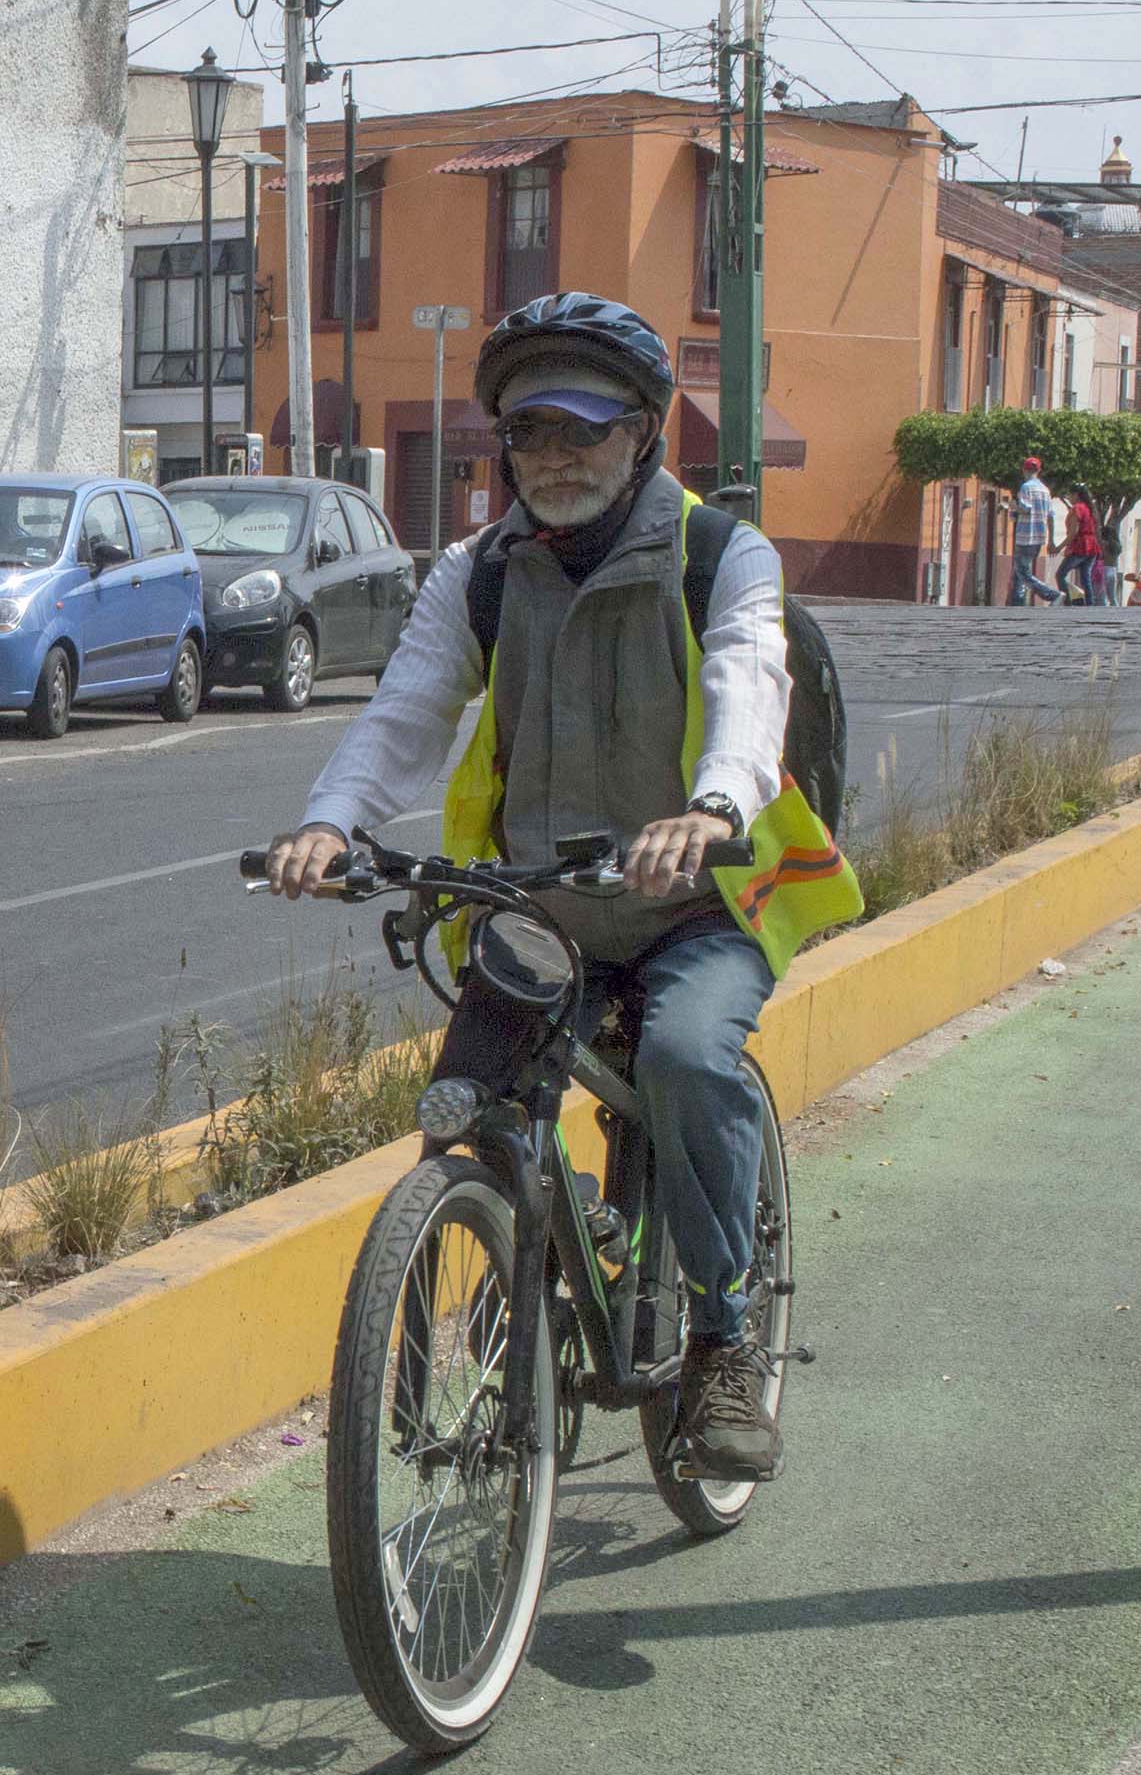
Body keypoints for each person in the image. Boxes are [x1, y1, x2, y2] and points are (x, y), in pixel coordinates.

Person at [258, 293, 859, 1482]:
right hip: (544, 907)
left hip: (698, 903)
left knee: (683, 1056)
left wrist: (712, 808)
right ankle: (498, 1280)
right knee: (465, 1105)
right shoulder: (478, 572)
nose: (555, 457)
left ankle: (721, 1337)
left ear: (640, 434)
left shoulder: (717, 556)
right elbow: (408, 706)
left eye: (583, 430)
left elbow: (746, 683)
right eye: (531, 432)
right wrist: (330, 823)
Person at [1009, 454, 1057, 605]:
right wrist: (1051, 539)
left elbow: (1026, 509)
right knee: (1021, 572)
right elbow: (1050, 516)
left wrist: (1013, 506)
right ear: (1039, 471)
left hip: (1025, 536)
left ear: (1024, 470)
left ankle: (1052, 594)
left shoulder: (1026, 487)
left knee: (1023, 573)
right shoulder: (1045, 490)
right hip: (1039, 537)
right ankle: (1018, 602)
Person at [1058, 487, 1102, 607]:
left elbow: (1073, 532)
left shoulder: (1077, 508)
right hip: (1092, 545)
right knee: (1085, 577)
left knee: (1060, 574)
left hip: (1080, 546)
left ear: (1076, 495)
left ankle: (1067, 602)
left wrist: (1059, 547)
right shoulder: (1090, 508)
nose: (1068, 498)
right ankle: (1090, 604)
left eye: (1069, 495)